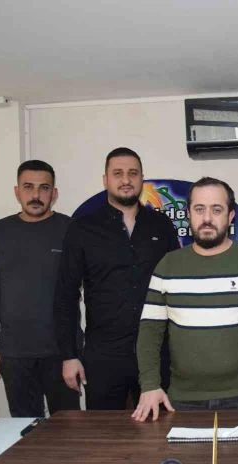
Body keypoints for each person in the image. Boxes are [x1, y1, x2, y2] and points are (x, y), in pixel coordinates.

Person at [131, 177, 238, 422]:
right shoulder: (167, 266)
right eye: (199, 209)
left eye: (216, 210)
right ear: (188, 214)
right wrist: (150, 384)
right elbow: (150, 332)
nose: (207, 218)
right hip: (183, 400)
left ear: (230, 215)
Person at [54, 147, 179, 410]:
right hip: (104, 355)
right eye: (118, 173)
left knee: (160, 425)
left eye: (132, 173)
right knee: (104, 430)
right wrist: (69, 355)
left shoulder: (161, 226)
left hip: (156, 352)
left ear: (141, 178)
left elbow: (177, 288)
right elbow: (65, 295)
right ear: (105, 180)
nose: (126, 180)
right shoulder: (82, 228)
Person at [0, 160, 80, 418]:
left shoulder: (70, 228)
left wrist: (76, 352)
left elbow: (84, 288)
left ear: (54, 193)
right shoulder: (1, 230)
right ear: (17, 191)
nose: (36, 195)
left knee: (69, 428)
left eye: (44, 188)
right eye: (28, 187)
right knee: (25, 429)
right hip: (15, 354)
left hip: (61, 352)